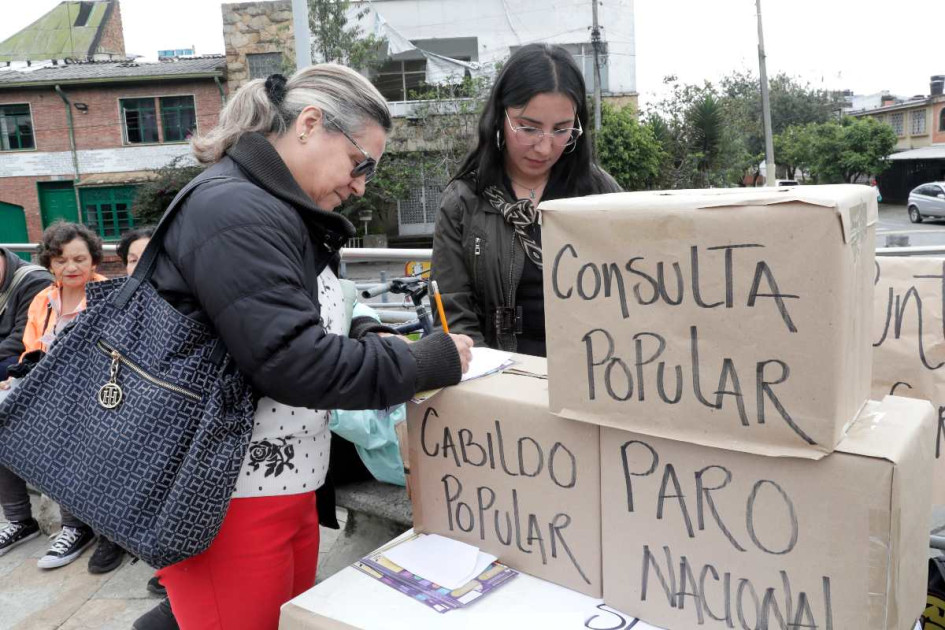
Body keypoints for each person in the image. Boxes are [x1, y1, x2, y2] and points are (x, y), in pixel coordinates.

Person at [134, 64, 472, 630]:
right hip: (226, 495)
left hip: (281, 483)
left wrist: (362, 331)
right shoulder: (234, 207)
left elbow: (306, 308)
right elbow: (291, 359)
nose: (361, 184)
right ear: (310, 124)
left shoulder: (280, 207)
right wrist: (421, 362)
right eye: (360, 163)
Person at [432, 43, 621, 357]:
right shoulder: (464, 201)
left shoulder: (599, 192)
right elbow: (454, 315)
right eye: (528, 128)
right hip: (502, 382)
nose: (545, 148)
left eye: (562, 130)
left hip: (591, 374)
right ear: (499, 117)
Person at [0, 222, 123, 574]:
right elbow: (31, 349)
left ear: (94, 260)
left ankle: (75, 526)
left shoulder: (109, 294)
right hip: (45, 385)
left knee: (63, 426)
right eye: (61, 259)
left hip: (91, 389)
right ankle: (18, 518)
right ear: (50, 264)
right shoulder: (44, 299)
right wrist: (17, 376)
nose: (71, 267)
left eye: (79, 258)